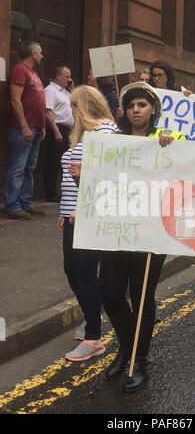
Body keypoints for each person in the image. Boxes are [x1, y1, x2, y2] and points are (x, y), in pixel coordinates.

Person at [101, 82, 186, 393]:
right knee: (110, 294)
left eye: (142, 105)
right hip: (116, 230)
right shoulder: (112, 142)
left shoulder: (168, 138)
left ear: (153, 110)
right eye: (131, 106)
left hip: (151, 232)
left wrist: (173, 145)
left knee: (141, 297)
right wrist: (81, 173)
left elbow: (194, 160)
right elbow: (101, 178)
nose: (136, 110)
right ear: (124, 111)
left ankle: (139, 360)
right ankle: (126, 347)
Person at [58, 85, 118, 361]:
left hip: (90, 214)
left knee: (84, 271)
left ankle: (94, 336)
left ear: (83, 107)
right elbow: (72, 178)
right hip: (73, 214)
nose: (71, 111)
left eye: (73, 106)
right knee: (72, 269)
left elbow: (107, 177)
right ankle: (91, 314)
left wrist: (84, 207)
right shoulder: (85, 134)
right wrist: (65, 209)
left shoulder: (106, 132)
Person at [4, 40, 46, 220]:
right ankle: (13, 206)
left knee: (29, 168)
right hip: (23, 129)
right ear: (33, 53)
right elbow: (15, 100)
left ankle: (26, 203)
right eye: (40, 51)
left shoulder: (33, 73)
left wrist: (42, 125)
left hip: (35, 127)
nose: (42, 55)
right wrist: (24, 126)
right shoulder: (20, 70)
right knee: (18, 168)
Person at [44, 66, 75, 202]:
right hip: (57, 128)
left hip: (69, 130)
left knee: (67, 161)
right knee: (54, 161)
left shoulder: (66, 92)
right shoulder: (50, 91)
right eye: (67, 77)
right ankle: (51, 193)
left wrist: (72, 88)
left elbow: (77, 102)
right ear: (58, 76)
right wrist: (56, 131)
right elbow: (48, 111)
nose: (69, 79)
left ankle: (65, 191)